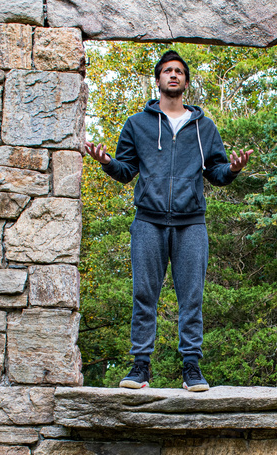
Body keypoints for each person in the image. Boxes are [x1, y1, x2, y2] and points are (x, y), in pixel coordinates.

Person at [85, 50, 252, 392]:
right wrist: (106, 162)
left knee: (191, 297)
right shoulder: (137, 125)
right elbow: (126, 171)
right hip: (148, 221)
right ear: (158, 80)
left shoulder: (205, 127)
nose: (173, 75)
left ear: (186, 82)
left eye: (179, 71)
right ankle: (140, 367)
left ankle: (191, 368)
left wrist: (233, 169)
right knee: (144, 294)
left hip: (192, 222)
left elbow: (216, 173)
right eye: (167, 71)